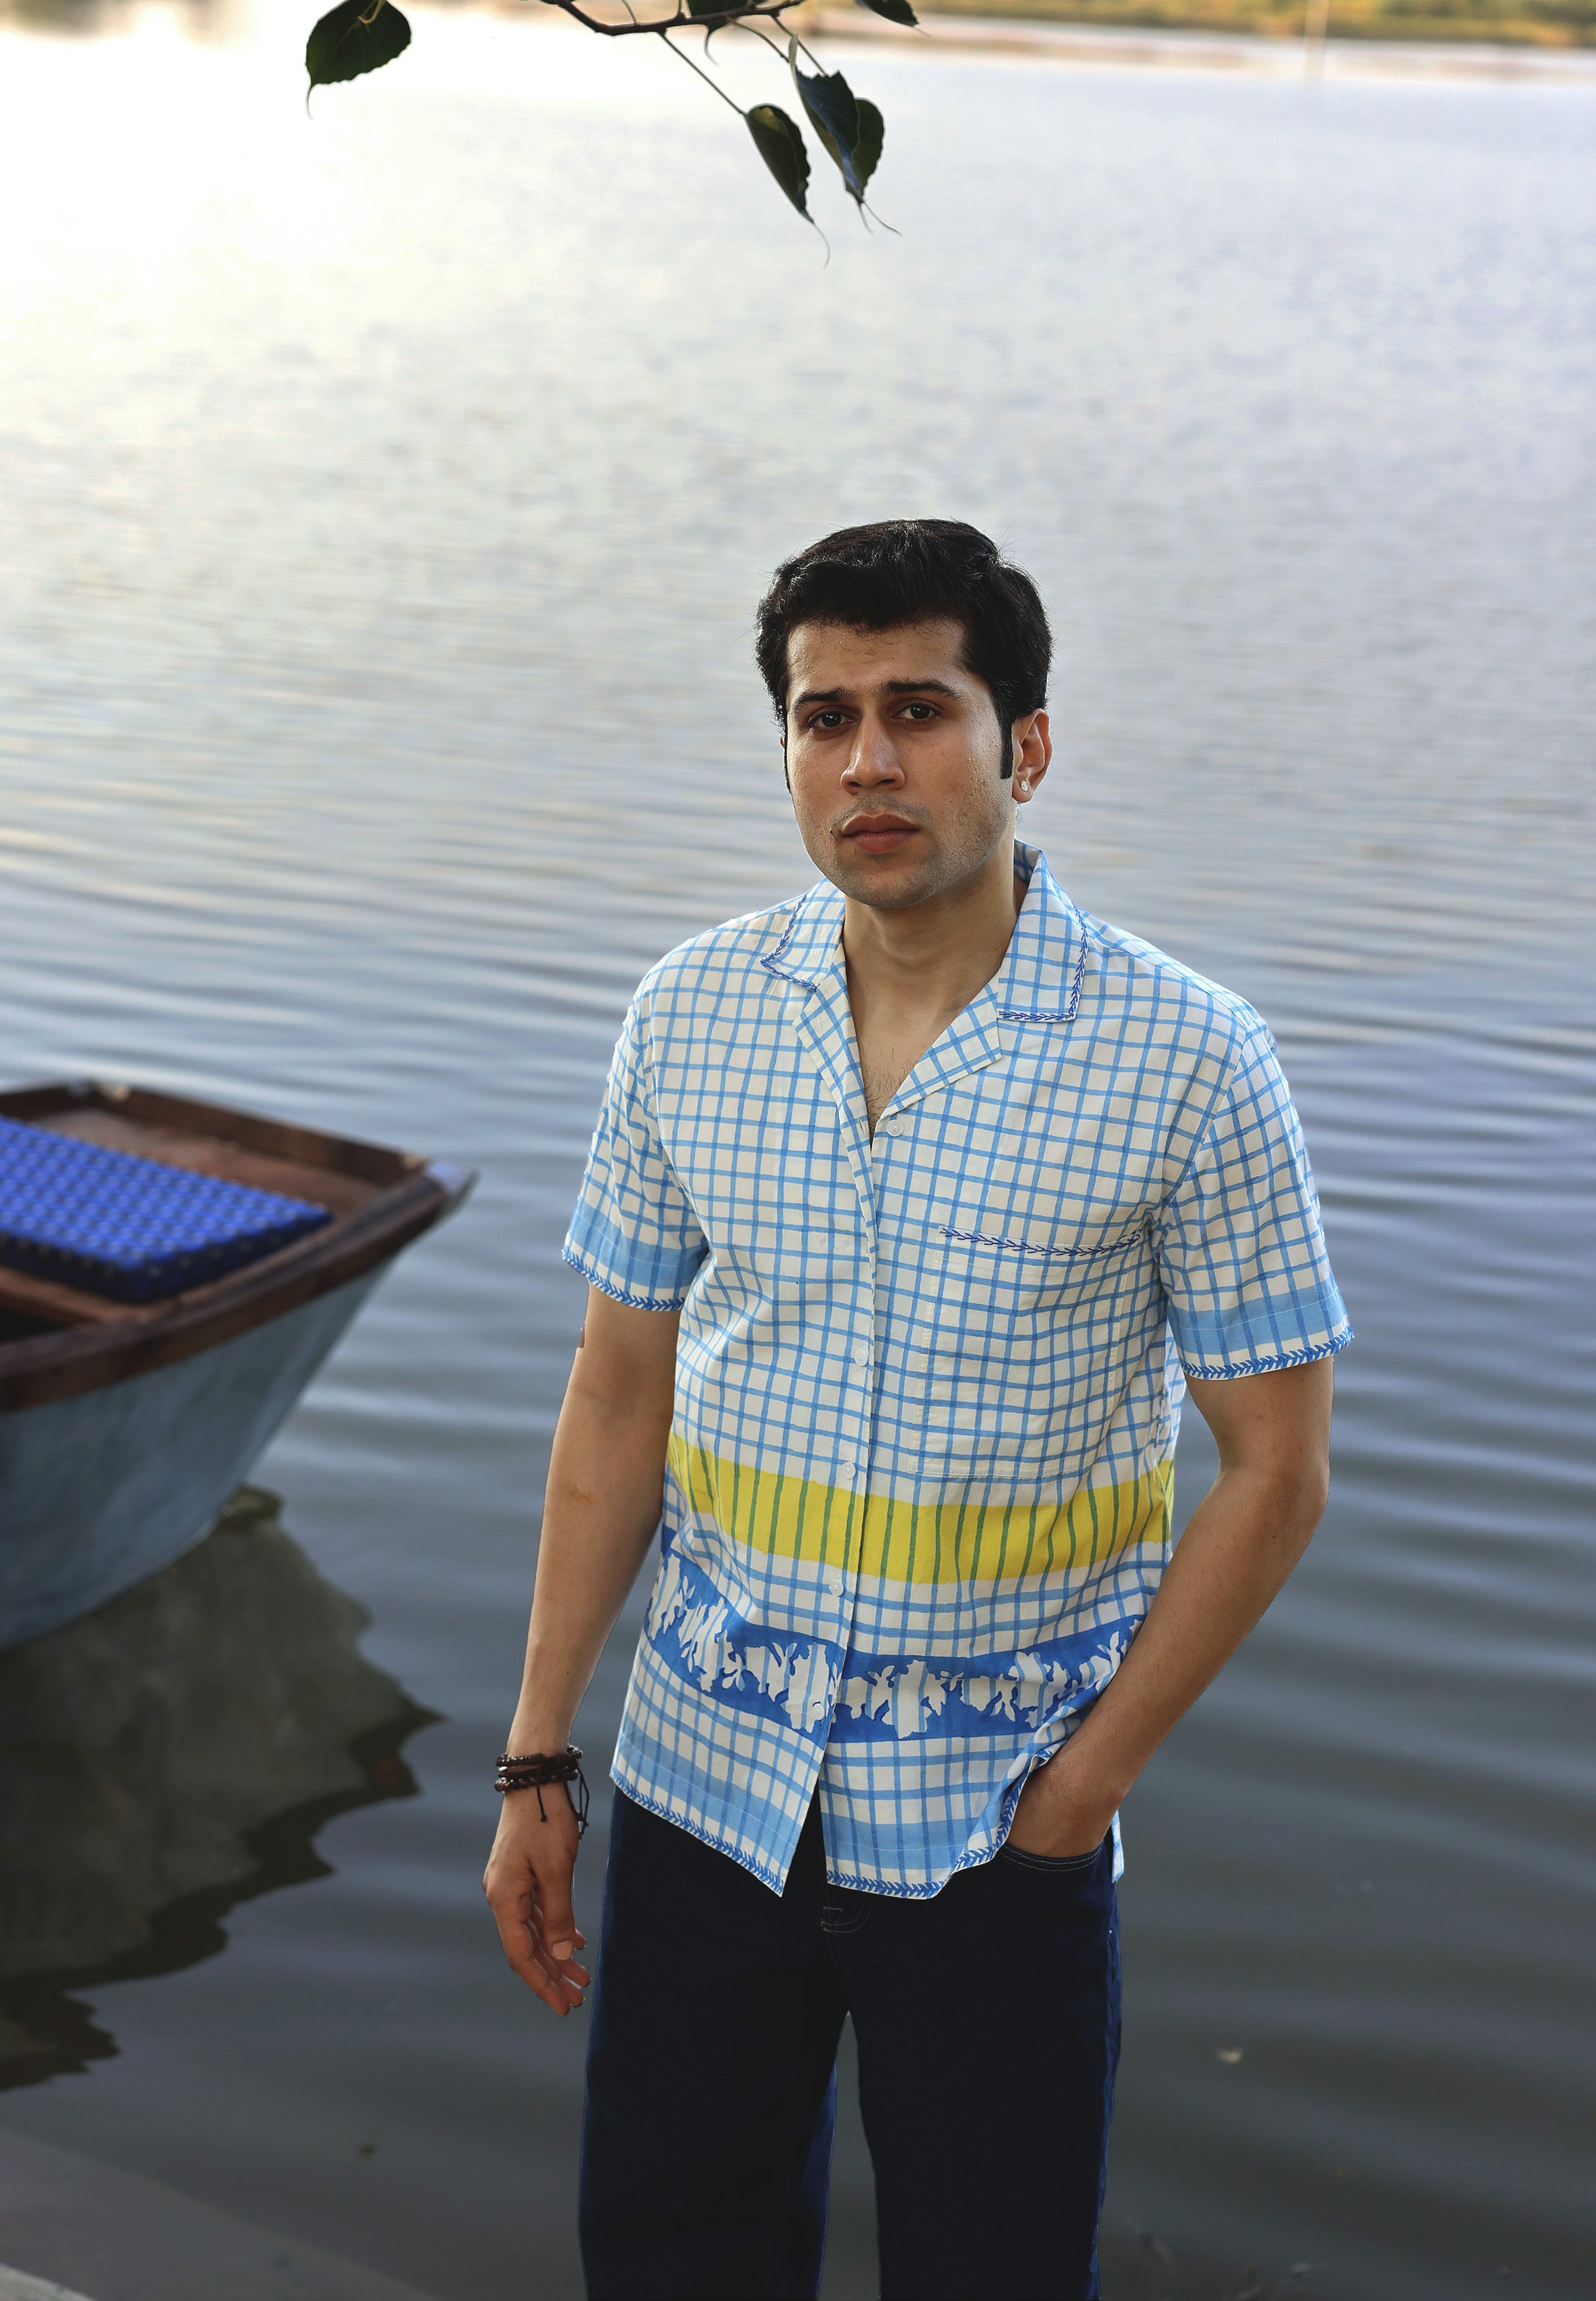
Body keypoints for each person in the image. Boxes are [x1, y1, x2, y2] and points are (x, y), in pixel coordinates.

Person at [484, 518, 1351, 2301]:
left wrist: (1080, 1794)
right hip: (704, 1787)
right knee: (665, 2260)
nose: (867, 762)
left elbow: (1277, 1471)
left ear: (1025, 746)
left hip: (996, 1822)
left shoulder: (1190, 1060)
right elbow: (616, 1392)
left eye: (919, 709)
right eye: (826, 718)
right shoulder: (691, 1015)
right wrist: (539, 1751)